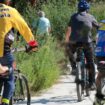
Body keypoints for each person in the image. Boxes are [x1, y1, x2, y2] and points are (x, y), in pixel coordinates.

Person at [0, 0, 38, 105]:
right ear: (7, 1)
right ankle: (5, 102)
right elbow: (24, 27)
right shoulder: (10, 11)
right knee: (9, 78)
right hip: (3, 51)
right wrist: (33, 43)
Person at [65, 0, 99, 89]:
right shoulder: (90, 17)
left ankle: (73, 67)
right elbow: (98, 27)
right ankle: (92, 83)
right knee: (91, 62)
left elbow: (69, 30)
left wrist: (67, 41)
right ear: (87, 9)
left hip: (74, 42)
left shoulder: (73, 17)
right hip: (87, 42)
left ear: (78, 8)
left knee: (69, 51)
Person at [94, 20, 105, 104]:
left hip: (99, 54)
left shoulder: (99, 32)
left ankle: (98, 93)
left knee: (100, 74)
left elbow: (96, 40)